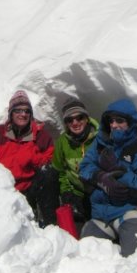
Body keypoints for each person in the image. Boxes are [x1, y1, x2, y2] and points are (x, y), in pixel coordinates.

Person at [79, 98, 137, 257]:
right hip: (100, 215)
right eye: (111, 121)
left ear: (130, 123)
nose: (114, 125)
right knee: (85, 259)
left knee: (135, 258)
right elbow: (84, 168)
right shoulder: (101, 142)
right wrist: (101, 178)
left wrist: (119, 170)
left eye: (120, 121)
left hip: (129, 211)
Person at [0, 90, 59, 226]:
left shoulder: (41, 136)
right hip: (4, 189)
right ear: (11, 113)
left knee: (48, 173)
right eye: (18, 111)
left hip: (29, 188)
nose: (23, 114)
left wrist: (33, 157)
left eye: (27, 111)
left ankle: (50, 224)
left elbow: (50, 160)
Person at [52, 97, 98, 231]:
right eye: (69, 120)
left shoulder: (101, 138)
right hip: (76, 194)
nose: (75, 122)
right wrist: (66, 191)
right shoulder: (62, 142)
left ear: (86, 118)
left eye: (79, 117)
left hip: (99, 193)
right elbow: (60, 170)